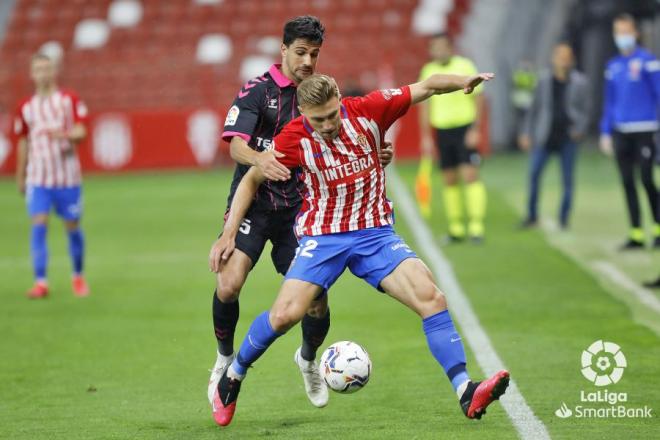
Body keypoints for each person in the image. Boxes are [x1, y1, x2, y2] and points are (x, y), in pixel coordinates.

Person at [208, 73, 509, 427]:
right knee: (286, 315)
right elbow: (252, 178)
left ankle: (465, 390)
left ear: (339, 99)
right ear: (303, 112)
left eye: (332, 114)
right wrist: (229, 231)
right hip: (324, 239)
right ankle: (233, 377)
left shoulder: (370, 109)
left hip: (375, 235)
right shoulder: (293, 138)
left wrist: (462, 82)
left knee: (431, 297)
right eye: (318, 119)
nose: (328, 125)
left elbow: (426, 87)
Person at [208, 16, 394, 409]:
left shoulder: (317, 95)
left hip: (302, 208)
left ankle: (308, 359)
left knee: (317, 301)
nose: (308, 61)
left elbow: (348, 135)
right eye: (301, 52)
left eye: (314, 53)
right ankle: (224, 359)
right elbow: (235, 146)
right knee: (228, 284)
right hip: (255, 204)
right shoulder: (258, 92)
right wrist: (260, 160)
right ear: (284, 50)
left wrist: (376, 153)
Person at [14, 53, 89, 299]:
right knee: (39, 225)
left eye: (46, 68)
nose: (43, 73)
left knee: (72, 227)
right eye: (38, 69)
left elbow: (81, 130)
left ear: (54, 71)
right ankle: (41, 282)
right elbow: (23, 141)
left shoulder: (68, 99)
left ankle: (77, 276)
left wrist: (65, 135)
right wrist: (21, 174)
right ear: (32, 73)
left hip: (67, 178)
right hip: (39, 179)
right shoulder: (26, 107)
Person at [418, 33, 487, 243]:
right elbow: (425, 106)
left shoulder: (465, 66)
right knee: (449, 179)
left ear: (450, 47)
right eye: (435, 48)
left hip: (464, 128)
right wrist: (426, 136)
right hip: (442, 130)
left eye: (442, 47)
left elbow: (479, 98)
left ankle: (476, 227)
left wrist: (475, 129)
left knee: (470, 175)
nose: (439, 51)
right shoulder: (428, 71)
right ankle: (456, 228)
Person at [599, 13, 660, 250]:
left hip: (645, 129)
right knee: (627, 182)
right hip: (621, 131)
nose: (622, 37)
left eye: (626, 31)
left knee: (646, 179)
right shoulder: (612, 66)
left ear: (635, 33)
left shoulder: (649, 62)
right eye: (618, 32)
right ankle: (635, 233)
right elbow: (610, 102)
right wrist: (605, 131)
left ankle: (657, 228)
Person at [519, 43, 589, 229]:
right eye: (560, 57)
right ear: (553, 59)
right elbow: (534, 109)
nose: (563, 61)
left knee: (567, 179)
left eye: (567, 57)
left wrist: (580, 128)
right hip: (545, 135)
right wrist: (526, 133)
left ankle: (564, 218)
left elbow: (585, 110)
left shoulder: (580, 82)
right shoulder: (543, 81)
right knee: (534, 174)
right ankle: (531, 215)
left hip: (567, 137)